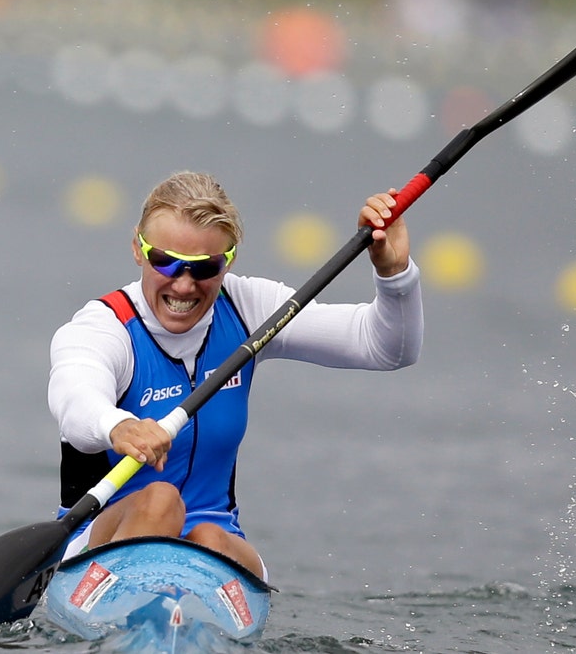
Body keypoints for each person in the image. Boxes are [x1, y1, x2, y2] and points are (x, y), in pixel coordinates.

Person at [47, 170, 423, 579]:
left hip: (214, 538)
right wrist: (118, 426)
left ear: (230, 260)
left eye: (205, 268)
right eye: (166, 262)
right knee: (160, 501)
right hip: (97, 540)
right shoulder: (104, 328)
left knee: (209, 536)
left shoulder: (250, 310)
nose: (185, 285)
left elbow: (387, 348)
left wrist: (395, 274)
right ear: (138, 249)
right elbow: (75, 399)